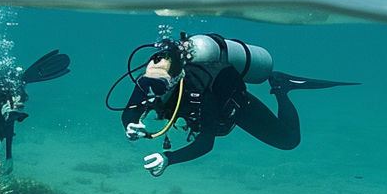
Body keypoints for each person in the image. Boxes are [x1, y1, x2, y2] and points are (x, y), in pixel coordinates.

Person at [121, 33, 354, 175]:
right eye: (147, 82)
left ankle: (282, 87)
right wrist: (130, 125)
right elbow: (129, 114)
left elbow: (206, 143)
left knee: (289, 141)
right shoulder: (150, 79)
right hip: (198, 105)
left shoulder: (201, 92)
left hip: (234, 106)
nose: (149, 93)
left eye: (158, 85)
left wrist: (168, 159)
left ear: (176, 80)